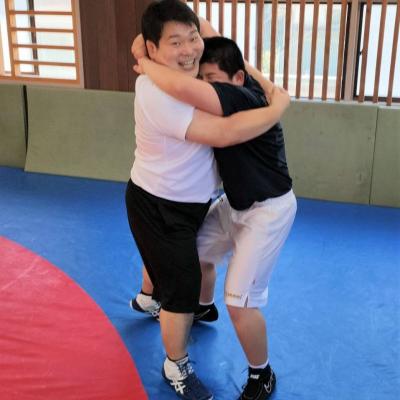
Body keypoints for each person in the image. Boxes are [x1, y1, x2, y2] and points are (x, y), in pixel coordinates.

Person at [126, 1, 290, 399]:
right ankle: (176, 360)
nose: (189, 51)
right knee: (183, 277)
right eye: (175, 42)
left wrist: (278, 104)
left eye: (192, 39)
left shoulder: (230, 90)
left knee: (218, 288)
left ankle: (260, 371)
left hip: (250, 207)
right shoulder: (160, 93)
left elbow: (227, 128)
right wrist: (278, 103)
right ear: (155, 46)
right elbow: (223, 132)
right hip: (166, 202)